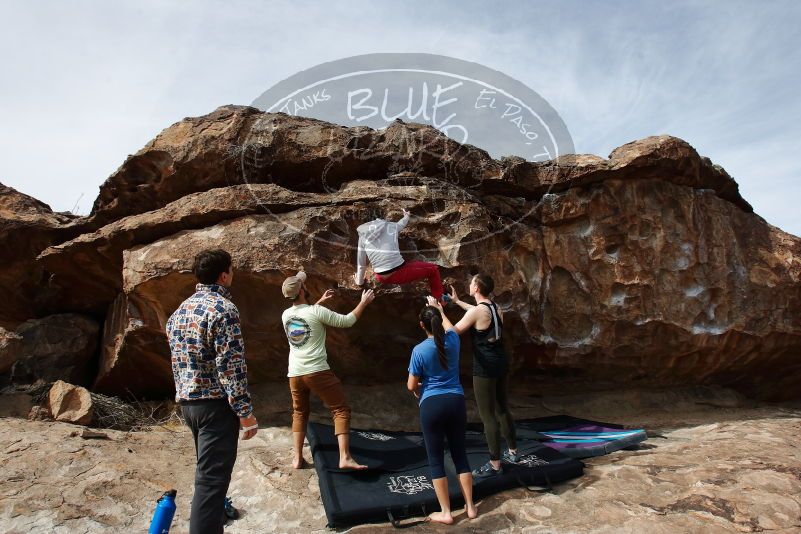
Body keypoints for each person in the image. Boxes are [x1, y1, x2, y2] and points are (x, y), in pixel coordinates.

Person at [166, 249, 257, 534]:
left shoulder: (179, 312)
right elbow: (231, 366)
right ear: (223, 275)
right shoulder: (223, 309)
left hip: (189, 405)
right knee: (211, 483)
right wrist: (245, 413)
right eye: (232, 269)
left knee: (208, 478)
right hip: (215, 408)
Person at [281, 271, 375, 470]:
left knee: (299, 412)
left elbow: (305, 316)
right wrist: (364, 302)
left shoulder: (286, 315)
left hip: (295, 373)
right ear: (302, 291)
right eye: (303, 285)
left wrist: (319, 303)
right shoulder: (315, 312)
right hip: (317, 371)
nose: (306, 286)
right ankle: (345, 458)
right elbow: (347, 321)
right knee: (340, 409)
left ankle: (297, 458)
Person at [407, 299, 477, 525]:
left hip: (432, 404)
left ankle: (446, 512)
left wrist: (419, 388)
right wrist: (439, 309)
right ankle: (471, 506)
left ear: (421, 325)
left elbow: (411, 385)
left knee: (436, 459)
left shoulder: (419, 350)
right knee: (460, 455)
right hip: (456, 401)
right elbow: (450, 327)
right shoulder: (453, 341)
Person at [444, 274, 517, 479]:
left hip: (485, 367)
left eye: (472, 281)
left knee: (488, 416)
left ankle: (495, 464)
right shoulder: (496, 308)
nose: (469, 283)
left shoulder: (478, 311)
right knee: (503, 408)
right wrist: (457, 302)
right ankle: (513, 452)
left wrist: (440, 312)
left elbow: (452, 332)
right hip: (501, 362)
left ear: (476, 287)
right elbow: (477, 312)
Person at [354, 207, 447, 302]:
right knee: (433, 269)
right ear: (380, 218)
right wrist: (406, 216)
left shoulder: (362, 236)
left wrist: (359, 282)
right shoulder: (390, 226)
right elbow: (401, 224)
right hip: (398, 273)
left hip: (380, 276)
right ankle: (439, 298)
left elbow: (361, 264)